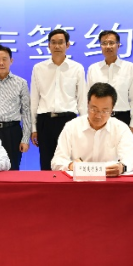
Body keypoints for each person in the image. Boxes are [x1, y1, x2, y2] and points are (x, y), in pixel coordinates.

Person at [51, 82, 133, 175]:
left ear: (112, 109)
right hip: (79, 181)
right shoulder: (71, 127)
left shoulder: (121, 129)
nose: (98, 116)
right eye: (94, 109)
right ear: (87, 104)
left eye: (105, 111)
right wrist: (71, 165)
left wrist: (122, 167)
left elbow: (131, 158)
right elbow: (57, 161)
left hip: (109, 181)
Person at [30, 29, 87, 170]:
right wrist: (34, 128)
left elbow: (82, 100)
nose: (57, 46)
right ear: (48, 45)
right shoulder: (38, 68)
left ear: (67, 45)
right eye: (53, 42)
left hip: (68, 121)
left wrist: (84, 126)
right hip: (45, 121)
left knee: (68, 163)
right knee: (46, 163)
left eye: (61, 42)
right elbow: (34, 100)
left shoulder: (77, 68)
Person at [86, 30, 133, 129]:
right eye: (104, 43)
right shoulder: (93, 69)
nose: (108, 46)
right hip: (98, 117)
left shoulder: (129, 67)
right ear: (100, 46)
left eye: (111, 43)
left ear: (118, 45)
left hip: (122, 117)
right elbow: (88, 98)